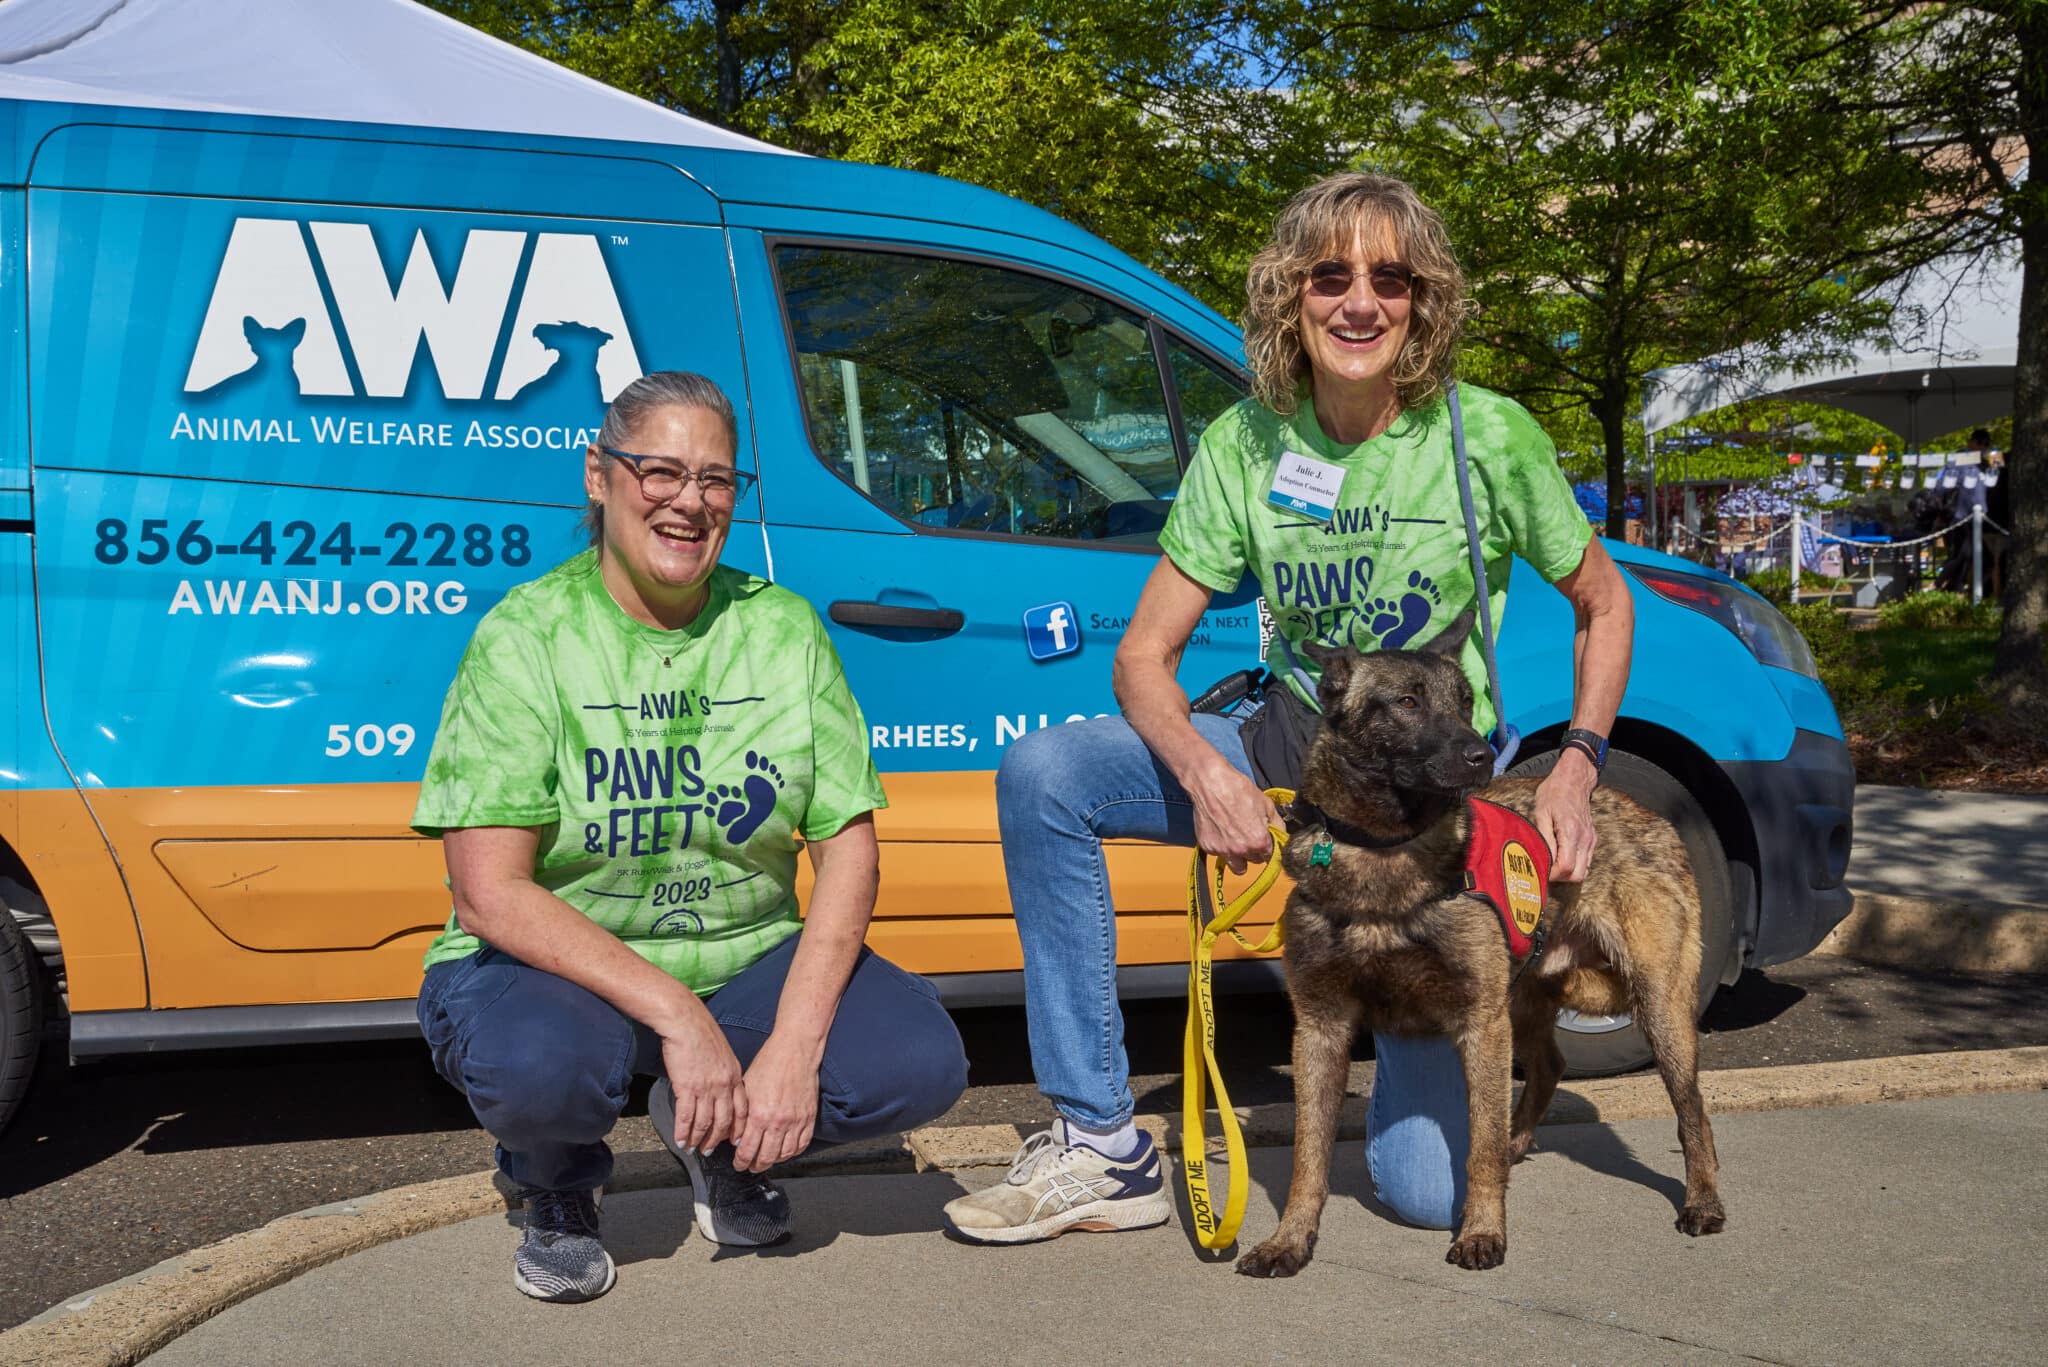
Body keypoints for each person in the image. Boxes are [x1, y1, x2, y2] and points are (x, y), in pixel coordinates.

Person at [943, 172, 1633, 1244]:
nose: (1359, 301)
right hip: (1288, 750)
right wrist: (1204, 771)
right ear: (1290, 296)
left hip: (1431, 814)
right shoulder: (1246, 445)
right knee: (1046, 773)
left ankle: (1423, 1063)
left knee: (1422, 1195)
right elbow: (1141, 657)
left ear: (1422, 300)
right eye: (1331, 275)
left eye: (1388, 277)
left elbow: (1602, 599)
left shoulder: (1483, 437)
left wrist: (1577, 764)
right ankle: (1098, 1141)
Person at [412, 371, 967, 1302]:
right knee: (540, 1067)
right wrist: (679, 1013)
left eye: (717, 480)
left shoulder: (781, 629)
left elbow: (848, 850)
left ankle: (715, 1138)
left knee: (914, 1064)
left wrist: (789, 1045)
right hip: (551, 971)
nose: (690, 501)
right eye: (660, 471)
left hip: (741, 956)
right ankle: (555, 1184)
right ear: (599, 475)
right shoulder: (526, 638)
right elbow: (488, 892)